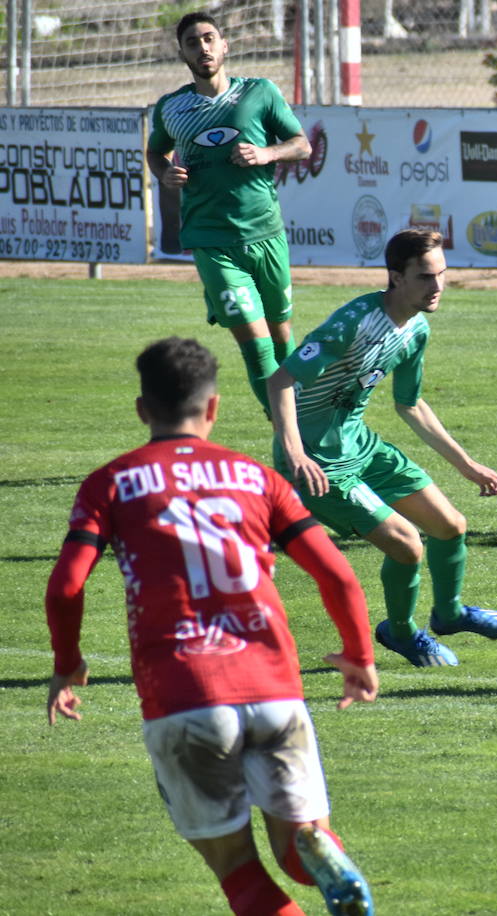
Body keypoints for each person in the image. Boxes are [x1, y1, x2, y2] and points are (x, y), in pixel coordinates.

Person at [44, 337, 378, 916]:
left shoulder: (111, 482)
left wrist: (68, 665)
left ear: (143, 409)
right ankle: (321, 852)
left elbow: (66, 586)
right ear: (214, 407)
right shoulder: (258, 478)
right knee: (297, 849)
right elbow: (339, 575)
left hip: (185, 698)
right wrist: (359, 656)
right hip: (275, 692)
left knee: (241, 874)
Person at [269, 229, 497, 669]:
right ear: (396, 277)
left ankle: (450, 614)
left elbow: (410, 404)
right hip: (319, 464)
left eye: (442, 274)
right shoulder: (353, 322)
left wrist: (467, 465)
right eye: (425, 276)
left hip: (361, 445)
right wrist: (295, 453)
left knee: (451, 526)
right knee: (407, 545)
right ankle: (400, 633)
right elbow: (281, 380)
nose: (437, 286)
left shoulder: (416, 329)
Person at [146, 11, 311, 413]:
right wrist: (165, 173)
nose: (202, 47)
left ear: (224, 45)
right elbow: (155, 152)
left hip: (266, 234)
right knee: (257, 348)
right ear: (182, 54)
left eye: (208, 38)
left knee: (281, 338)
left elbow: (301, 144)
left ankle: (303, 423)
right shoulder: (171, 107)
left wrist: (267, 153)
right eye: (192, 42)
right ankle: (288, 434)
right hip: (212, 240)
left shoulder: (260, 92)